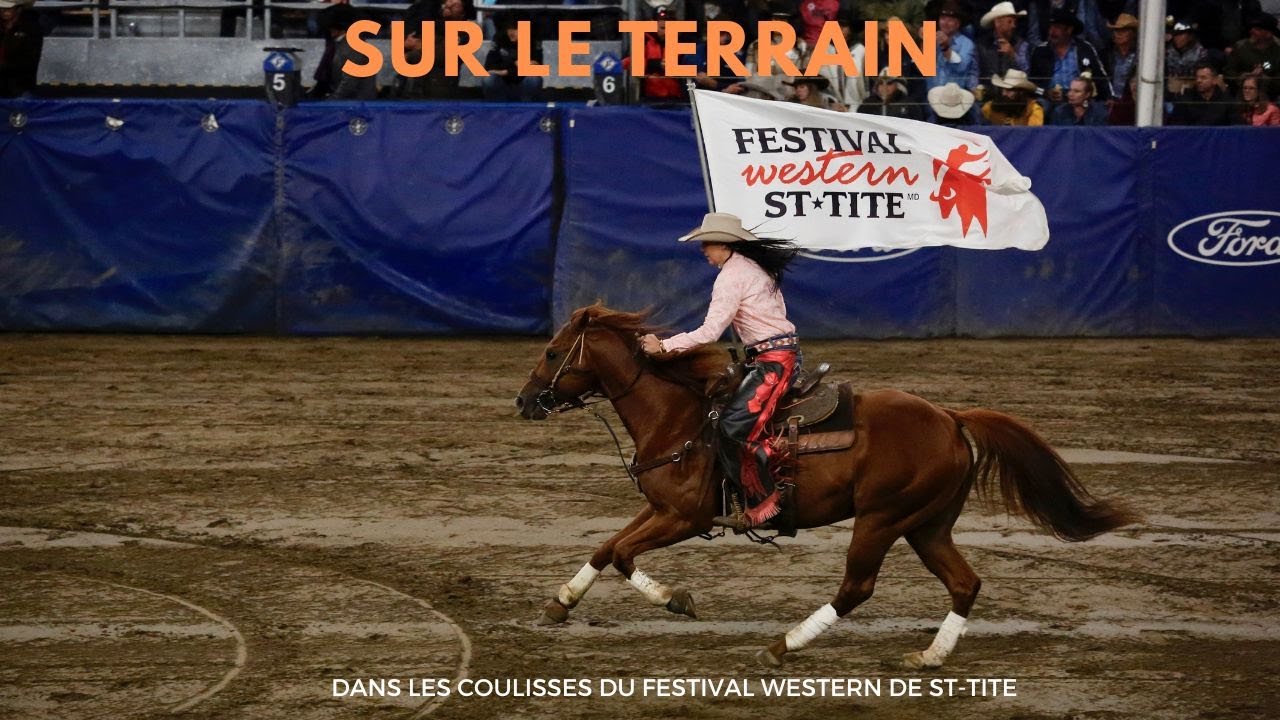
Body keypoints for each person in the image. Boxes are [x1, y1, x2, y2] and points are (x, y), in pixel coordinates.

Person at [639, 213, 801, 532]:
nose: (703, 250)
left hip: (774, 362)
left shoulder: (732, 276)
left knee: (733, 428)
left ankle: (767, 504)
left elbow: (711, 331)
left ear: (725, 244)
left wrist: (664, 347)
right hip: (775, 356)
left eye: (707, 244)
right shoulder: (753, 268)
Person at [1029, 7, 1112, 105]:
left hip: (1080, 100)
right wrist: (1045, 93)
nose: (1052, 31)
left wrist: (1109, 97)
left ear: (1069, 30)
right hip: (1049, 100)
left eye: (1057, 27)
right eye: (1051, 27)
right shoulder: (1040, 51)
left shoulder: (1085, 48)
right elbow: (1031, 85)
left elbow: (1101, 76)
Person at [977, 1, 1031, 100]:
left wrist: (1013, 55)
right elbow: (975, 71)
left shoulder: (1022, 44)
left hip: (1014, 97)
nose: (1014, 26)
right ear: (997, 23)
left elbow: (1026, 72)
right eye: (1010, 22)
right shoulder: (982, 45)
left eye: (1015, 22)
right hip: (988, 95)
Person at [483, 16, 542, 101]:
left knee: (534, 79)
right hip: (502, 84)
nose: (511, 33)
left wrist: (506, 71)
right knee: (489, 79)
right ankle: (496, 110)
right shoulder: (500, 38)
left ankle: (527, 110)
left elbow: (538, 69)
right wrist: (514, 64)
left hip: (523, 86)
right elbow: (488, 67)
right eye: (509, 29)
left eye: (515, 29)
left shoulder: (532, 42)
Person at [1225, 14, 1280, 95]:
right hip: (1240, 96)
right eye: (1252, 28)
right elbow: (1227, 72)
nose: (1252, 31)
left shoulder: (1277, 51)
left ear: (1268, 34)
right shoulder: (1240, 47)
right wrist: (1242, 76)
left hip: (1270, 97)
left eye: (1257, 29)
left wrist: (1264, 79)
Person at [1168, 62, 1238, 125]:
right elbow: (1177, 127)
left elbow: (1235, 127)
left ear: (1214, 80)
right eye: (1197, 77)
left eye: (1203, 78)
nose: (1198, 81)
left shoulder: (1227, 101)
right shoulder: (1185, 100)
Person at [0, 0, 41, 98]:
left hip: (20, 85)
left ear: (18, 10)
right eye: (2, 9)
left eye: (8, 9)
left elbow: (30, 58)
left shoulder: (30, 28)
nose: (4, 12)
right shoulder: (2, 27)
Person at [859, 70, 925, 120]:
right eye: (881, 83)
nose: (884, 87)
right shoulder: (868, 104)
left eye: (889, 83)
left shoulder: (909, 105)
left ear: (898, 85)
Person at [1165, 19, 1208, 97]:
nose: (1177, 38)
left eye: (1181, 34)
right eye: (1175, 35)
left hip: (1192, 93)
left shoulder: (1200, 53)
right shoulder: (1167, 51)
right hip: (1170, 92)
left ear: (1190, 36)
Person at [1102, 13, 1137, 102]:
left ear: (1133, 34)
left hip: (1133, 102)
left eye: (1124, 30)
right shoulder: (1107, 54)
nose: (1118, 34)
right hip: (1111, 101)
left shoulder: (1141, 56)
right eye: (1116, 30)